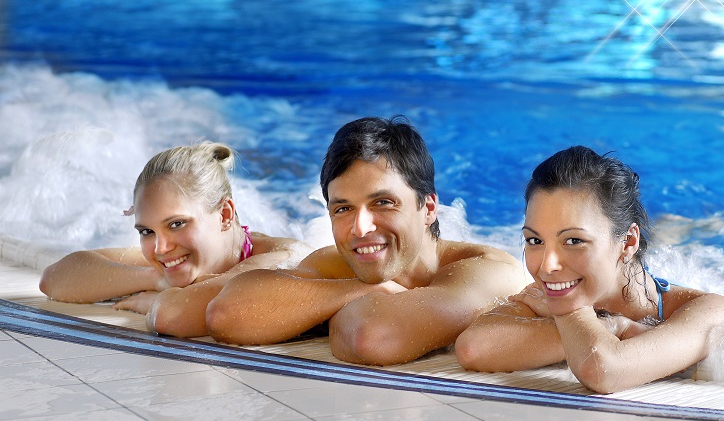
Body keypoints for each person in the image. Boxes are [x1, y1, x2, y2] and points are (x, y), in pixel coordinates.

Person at [206, 116, 526, 365]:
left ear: (428, 208)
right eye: (343, 208)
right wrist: (363, 289)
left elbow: (373, 336)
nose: (360, 228)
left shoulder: (489, 271)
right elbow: (226, 314)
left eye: (383, 202)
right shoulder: (336, 264)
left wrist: (318, 309)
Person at [455, 146, 724, 393]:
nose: (546, 266)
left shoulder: (712, 310)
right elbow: (473, 348)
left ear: (628, 241)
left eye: (573, 240)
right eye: (535, 240)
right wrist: (608, 324)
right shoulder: (549, 291)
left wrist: (568, 312)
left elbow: (603, 369)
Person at [39, 141, 304, 338]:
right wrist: (156, 279)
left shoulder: (280, 257)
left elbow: (172, 316)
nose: (161, 248)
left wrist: (155, 300)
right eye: (147, 231)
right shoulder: (174, 256)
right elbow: (54, 279)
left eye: (177, 224)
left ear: (224, 214)